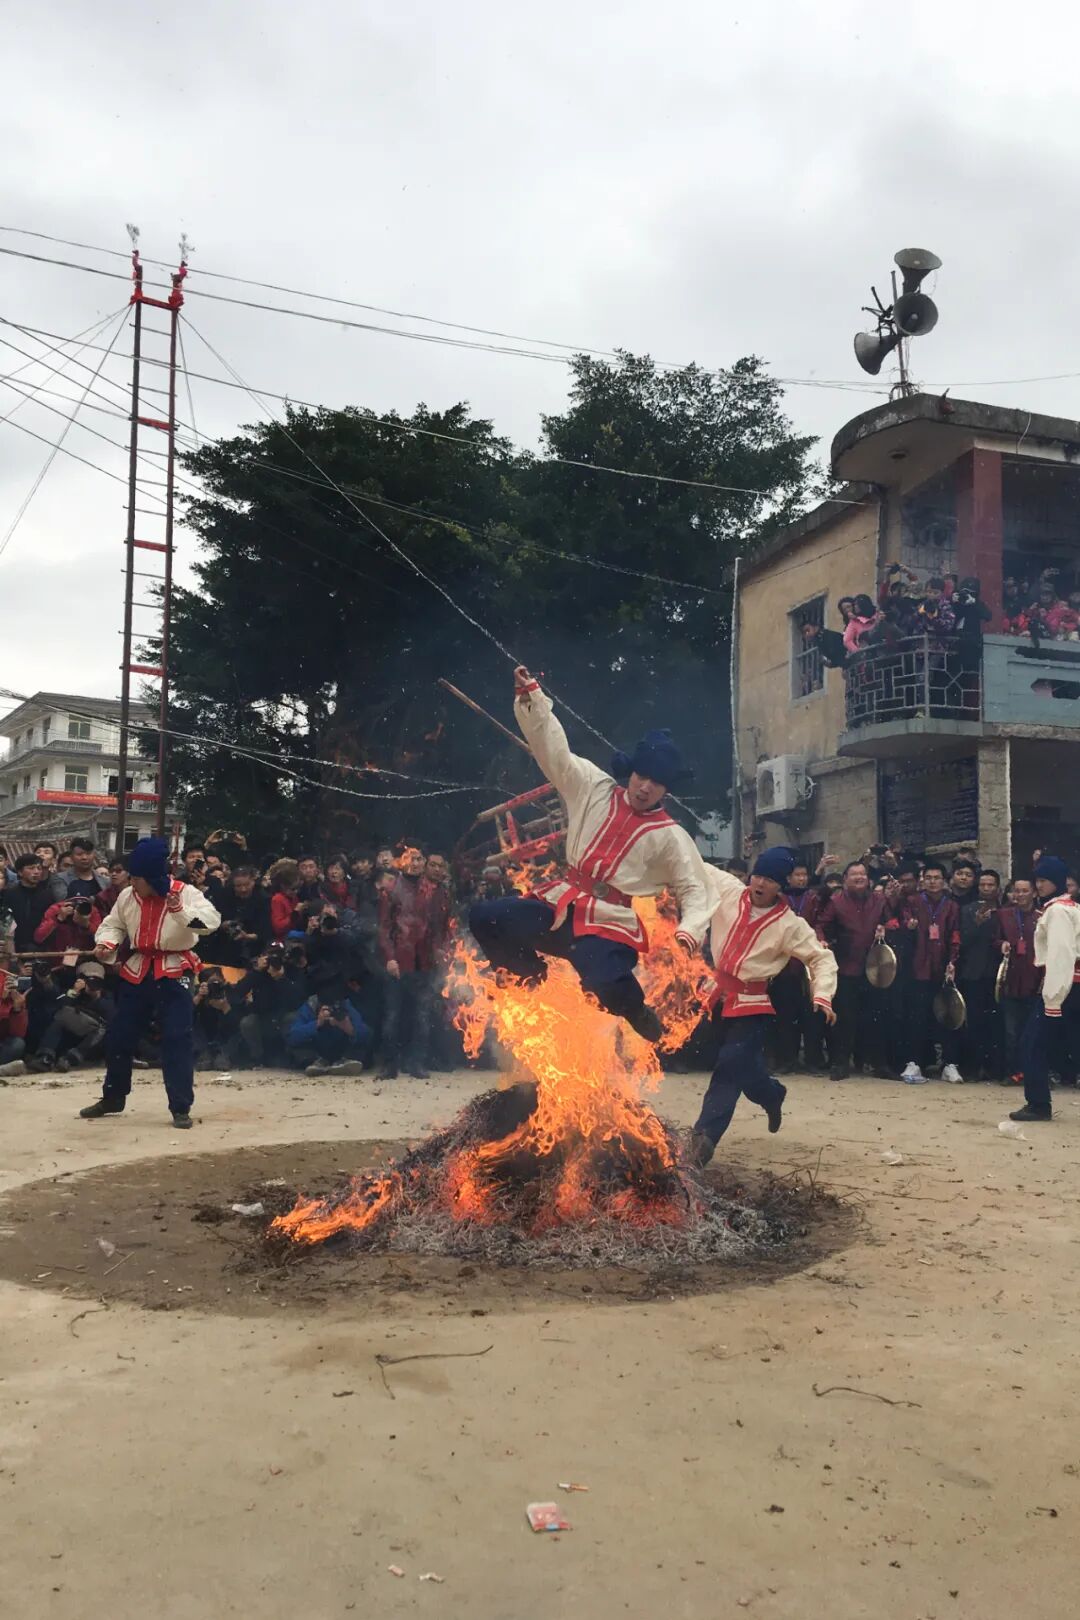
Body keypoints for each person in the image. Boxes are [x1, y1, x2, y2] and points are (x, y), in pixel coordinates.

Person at [469, 665, 719, 1042]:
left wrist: (688, 930)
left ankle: (635, 1009)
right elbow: (554, 751)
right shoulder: (593, 786)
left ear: (666, 789)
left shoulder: (671, 836)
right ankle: (529, 976)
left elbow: (696, 890)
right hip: (559, 906)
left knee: (605, 986)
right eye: (641, 777)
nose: (645, 787)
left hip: (607, 924)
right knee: (485, 917)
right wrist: (533, 701)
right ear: (631, 772)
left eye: (656, 783)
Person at [688, 848, 837, 1166]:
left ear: (780, 886)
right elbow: (689, 859)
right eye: (757, 875)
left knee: (729, 1067)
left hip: (752, 1005)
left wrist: (822, 995)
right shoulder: (728, 889)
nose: (759, 882)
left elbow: (820, 958)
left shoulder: (789, 925)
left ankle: (703, 1140)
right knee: (745, 1067)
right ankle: (771, 1093)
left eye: (769, 879)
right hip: (715, 995)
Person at [79, 837, 222, 1128]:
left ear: (154, 876)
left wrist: (180, 911)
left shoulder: (186, 893)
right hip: (140, 968)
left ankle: (180, 1106)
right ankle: (113, 1097)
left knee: (176, 1038)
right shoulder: (128, 896)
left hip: (175, 968)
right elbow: (114, 924)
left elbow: (210, 924)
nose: (132, 881)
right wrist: (107, 943)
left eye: (137, 877)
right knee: (120, 1035)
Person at [1011, 856, 1080, 1123]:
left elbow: (1061, 956)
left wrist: (1052, 998)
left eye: (1044, 880)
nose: (1039, 885)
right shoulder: (1068, 907)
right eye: (1037, 880)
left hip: (1062, 987)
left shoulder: (1058, 911)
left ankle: (1038, 1103)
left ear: (1058, 882)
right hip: (1069, 985)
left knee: (1033, 1043)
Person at [817, 860, 894, 1080]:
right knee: (845, 1019)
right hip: (846, 966)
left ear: (868, 879)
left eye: (863, 873)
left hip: (875, 968)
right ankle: (841, 1064)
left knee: (877, 1017)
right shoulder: (836, 901)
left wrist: (886, 928)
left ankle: (879, 1064)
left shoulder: (880, 900)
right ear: (845, 880)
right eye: (854, 874)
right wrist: (821, 941)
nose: (859, 877)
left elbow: (893, 922)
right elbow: (821, 925)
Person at [377, 847, 447, 1079]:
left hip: (425, 963)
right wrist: (390, 958)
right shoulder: (391, 889)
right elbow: (385, 928)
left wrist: (440, 949)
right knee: (393, 1015)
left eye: (419, 859)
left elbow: (440, 926)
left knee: (422, 1015)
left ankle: (416, 1062)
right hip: (399, 960)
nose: (415, 863)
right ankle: (389, 1064)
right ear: (401, 861)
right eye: (410, 858)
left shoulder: (434, 891)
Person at [896, 861, 961, 1082]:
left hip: (942, 968)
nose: (933, 882)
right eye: (929, 877)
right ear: (922, 880)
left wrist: (952, 961)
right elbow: (903, 929)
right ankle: (914, 1062)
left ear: (944, 881)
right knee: (917, 1017)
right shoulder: (912, 902)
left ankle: (949, 1064)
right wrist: (909, 928)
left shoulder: (951, 906)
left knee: (947, 1017)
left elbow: (954, 935)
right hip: (918, 969)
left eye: (937, 878)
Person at [943, 867, 1001, 1082]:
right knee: (973, 1021)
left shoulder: (1005, 911)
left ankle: (994, 1067)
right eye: (983, 885)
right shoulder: (966, 910)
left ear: (998, 888)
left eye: (990, 885)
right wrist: (976, 925)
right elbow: (962, 941)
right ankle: (973, 1067)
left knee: (995, 1023)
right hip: (972, 974)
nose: (986, 889)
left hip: (997, 975)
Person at [768, 860, 826, 1072]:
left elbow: (821, 922)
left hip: (808, 963)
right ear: (788, 878)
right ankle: (787, 1060)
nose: (801, 878)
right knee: (785, 1015)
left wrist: (819, 937)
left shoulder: (814, 898)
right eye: (797, 875)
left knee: (811, 1015)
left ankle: (813, 1060)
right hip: (785, 964)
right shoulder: (779, 900)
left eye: (804, 875)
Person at [996, 876, 1041, 1084]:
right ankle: (1011, 1072)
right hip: (1010, 981)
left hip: (1035, 980)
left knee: (1032, 1032)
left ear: (1034, 893)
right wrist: (1001, 944)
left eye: (1025, 891)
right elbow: (994, 940)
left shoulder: (1043, 916)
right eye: (1017, 891)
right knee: (1011, 1031)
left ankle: (1032, 1073)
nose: (1020, 895)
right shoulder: (1004, 915)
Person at [29, 962, 115, 1072]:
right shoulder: (73, 992)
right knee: (59, 1017)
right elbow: (58, 1006)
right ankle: (45, 1058)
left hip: (93, 1037)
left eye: (96, 980)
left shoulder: (107, 995)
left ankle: (69, 1060)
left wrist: (96, 997)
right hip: (71, 1033)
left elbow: (112, 1015)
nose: (92, 983)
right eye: (89, 979)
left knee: (103, 1029)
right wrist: (75, 991)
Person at [286, 993, 370, 1076]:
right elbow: (292, 1036)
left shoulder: (346, 1004)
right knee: (292, 1028)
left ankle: (345, 1062)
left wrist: (350, 1029)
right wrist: (317, 1024)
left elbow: (366, 1034)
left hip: (343, 1050)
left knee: (363, 1045)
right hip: (315, 1051)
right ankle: (315, 1063)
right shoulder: (311, 1005)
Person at [8, 855, 55, 952]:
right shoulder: (9, 893)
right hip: (12, 945)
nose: (36, 872)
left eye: (39, 868)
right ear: (20, 872)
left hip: (40, 947)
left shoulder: (47, 895)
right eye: (31, 868)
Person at [0, 965, 29, 1077]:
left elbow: (19, 1033)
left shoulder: (17, 997)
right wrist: (2, 1001)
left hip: (3, 1044)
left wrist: (17, 1009)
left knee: (18, 1043)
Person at [268, 859, 301, 940]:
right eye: (293, 889)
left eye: (298, 888)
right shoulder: (277, 899)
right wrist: (295, 914)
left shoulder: (293, 897)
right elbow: (278, 927)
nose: (296, 891)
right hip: (284, 937)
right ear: (283, 886)